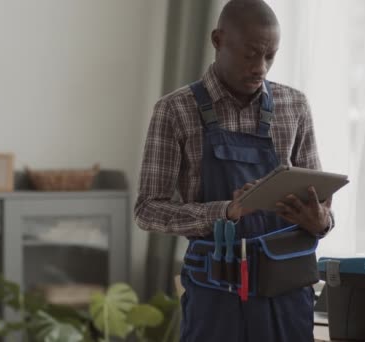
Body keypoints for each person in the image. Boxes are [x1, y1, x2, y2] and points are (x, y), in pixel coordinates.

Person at [134, 0, 334, 341]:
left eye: (270, 56)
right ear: (217, 40)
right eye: (250, 54)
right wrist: (225, 212)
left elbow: (323, 207)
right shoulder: (175, 110)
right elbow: (147, 210)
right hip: (216, 299)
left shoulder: (294, 106)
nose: (261, 67)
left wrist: (321, 222)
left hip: (287, 295)